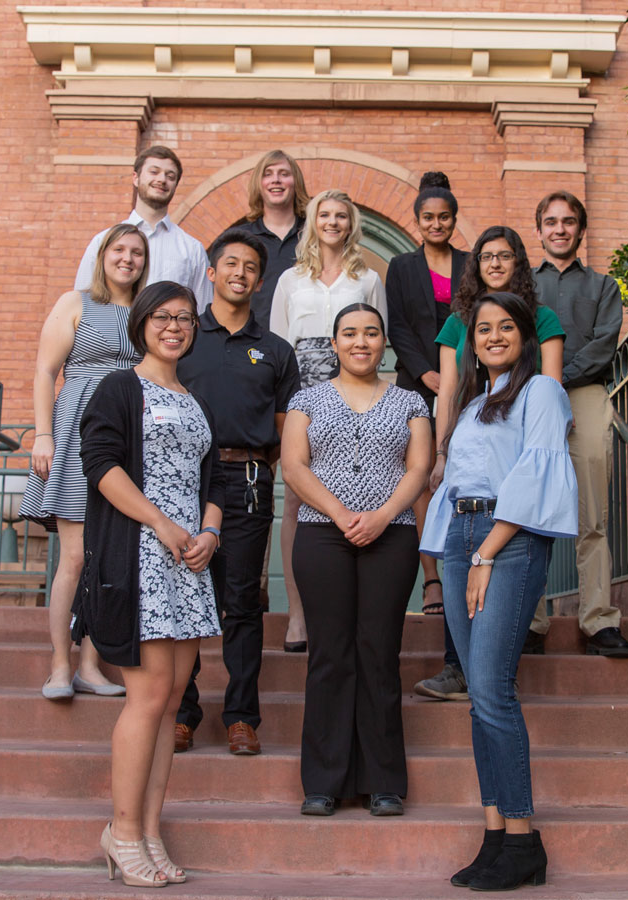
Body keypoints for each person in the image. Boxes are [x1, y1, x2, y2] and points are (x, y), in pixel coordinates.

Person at [420, 291, 577, 892]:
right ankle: (493, 834)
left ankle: (523, 841)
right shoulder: (470, 402)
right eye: (481, 328)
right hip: (463, 537)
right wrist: (459, 550)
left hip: (506, 540)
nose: (491, 336)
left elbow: (537, 470)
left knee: (491, 688)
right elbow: (458, 479)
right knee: (477, 697)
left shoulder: (541, 391)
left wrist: (487, 551)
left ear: (524, 334)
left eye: (504, 326)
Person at [79, 281, 225, 888]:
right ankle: (121, 831)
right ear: (141, 323)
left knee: (172, 699)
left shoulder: (193, 398)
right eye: (163, 317)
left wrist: (210, 533)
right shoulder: (118, 387)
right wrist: (161, 522)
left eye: (185, 318)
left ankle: (149, 828)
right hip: (138, 554)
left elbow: (211, 479)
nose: (175, 326)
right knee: (147, 696)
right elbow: (102, 465)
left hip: (187, 563)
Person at [282, 303, 432, 818]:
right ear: (335, 342)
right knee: (330, 654)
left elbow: (419, 468)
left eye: (371, 333)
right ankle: (323, 781)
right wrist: (342, 512)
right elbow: (294, 466)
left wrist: (383, 514)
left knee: (378, 651)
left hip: (391, 535)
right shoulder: (307, 399)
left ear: (384, 342)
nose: (361, 342)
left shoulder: (411, 402)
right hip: (324, 534)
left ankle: (382, 781)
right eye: (350, 333)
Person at [417, 226, 563, 685]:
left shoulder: (540, 319)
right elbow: (450, 393)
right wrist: (443, 453)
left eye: (505, 256)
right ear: (474, 265)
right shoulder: (459, 321)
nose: (495, 264)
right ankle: (460, 667)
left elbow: (551, 386)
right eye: (485, 256)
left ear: (519, 262)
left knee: (494, 675)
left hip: (517, 450)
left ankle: (497, 662)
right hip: (468, 444)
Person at [173, 228, 299, 757]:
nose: (239, 273)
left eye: (250, 267)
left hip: (247, 481)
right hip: (183, 482)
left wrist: (251, 465)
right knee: (184, 598)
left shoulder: (275, 351)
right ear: (212, 271)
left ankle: (242, 716)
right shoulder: (181, 338)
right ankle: (181, 713)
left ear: (260, 280)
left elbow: (284, 430)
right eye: (231, 264)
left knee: (242, 601)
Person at [22, 223, 146, 700]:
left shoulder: (145, 311)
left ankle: (92, 665)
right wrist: (44, 434)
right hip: (75, 431)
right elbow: (44, 371)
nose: (127, 259)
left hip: (127, 438)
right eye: (119, 249)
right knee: (75, 557)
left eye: (137, 252)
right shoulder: (75, 303)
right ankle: (59, 664)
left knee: (108, 557)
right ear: (102, 255)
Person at [268, 189, 385, 654]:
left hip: (352, 385)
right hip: (301, 388)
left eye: (341, 216)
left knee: (351, 491)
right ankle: (298, 614)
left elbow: (378, 336)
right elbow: (278, 346)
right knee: (297, 501)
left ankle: (346, 613)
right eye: (325, 215)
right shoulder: (290, 280)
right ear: (312, 222)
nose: (332, 222)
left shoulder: (369, 277)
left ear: (350, 223)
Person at [531, 191, 628, 659]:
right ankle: (529, 621)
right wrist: (544, 388)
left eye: (568, 221)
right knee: (527, 510)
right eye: (551, 222)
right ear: (539, 230)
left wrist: (561, 381)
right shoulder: (521, 286)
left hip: (584, 393)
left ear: (580, 229)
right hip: (530, 398)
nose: (559, 229)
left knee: (591, 512)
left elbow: (603, 343)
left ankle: (598, 621)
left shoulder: (603, 286)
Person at [384, 173, 471, 701]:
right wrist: (426, 375)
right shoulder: (401, 266)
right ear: (416, 222)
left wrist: (455, 378)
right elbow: (398, 329)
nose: (436, 224)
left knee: (455, 476)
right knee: (420, 476)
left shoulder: (469, 265)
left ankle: (457, 567)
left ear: (453, 221)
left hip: (466, 381)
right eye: (427, 218)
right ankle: (431, 577)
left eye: (443, 217)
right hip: (419, 382)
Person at [73, 145, 213, 310]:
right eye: (154, 172)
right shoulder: (103, 241)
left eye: (170, 176)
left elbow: (202, 312)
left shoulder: (192, 249)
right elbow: (81, 305)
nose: (162, 179)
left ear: (175, 185)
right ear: (136, 178)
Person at [220, 149, 310, 329]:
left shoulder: (314, 235)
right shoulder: (240, 239)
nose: (276, 179)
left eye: (284, 174)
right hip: (249, 341)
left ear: (296, 182)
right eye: (268, 174)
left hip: (303, 343)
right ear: (259, 184)